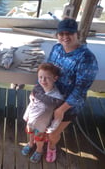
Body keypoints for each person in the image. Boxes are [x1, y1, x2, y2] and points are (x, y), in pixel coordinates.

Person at [36, 18, 98, 162]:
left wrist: (62, 110)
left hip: (69, 106)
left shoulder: (86, 58)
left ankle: (52, 148)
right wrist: (37, 91)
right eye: (61, 33)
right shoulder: (56, 48)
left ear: (77, 34)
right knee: (41, 126)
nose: (65, 37)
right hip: (51, 98)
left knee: (53, 133)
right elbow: (45, 71)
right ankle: (39, 143)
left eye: (69, 33)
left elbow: (80, 90)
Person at [21, 63, 64, 163]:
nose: (43, 80)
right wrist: (26, 114)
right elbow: (32, 103)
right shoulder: (37, 88)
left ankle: (39, 150)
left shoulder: (57, 98)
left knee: (39, 139)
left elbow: (58, 116)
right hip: (31, 120)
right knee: (30, 133)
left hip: (42, 126)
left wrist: (52, 127)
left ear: (55, 78)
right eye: (40, 77)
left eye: (47, 78)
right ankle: (31, 143)